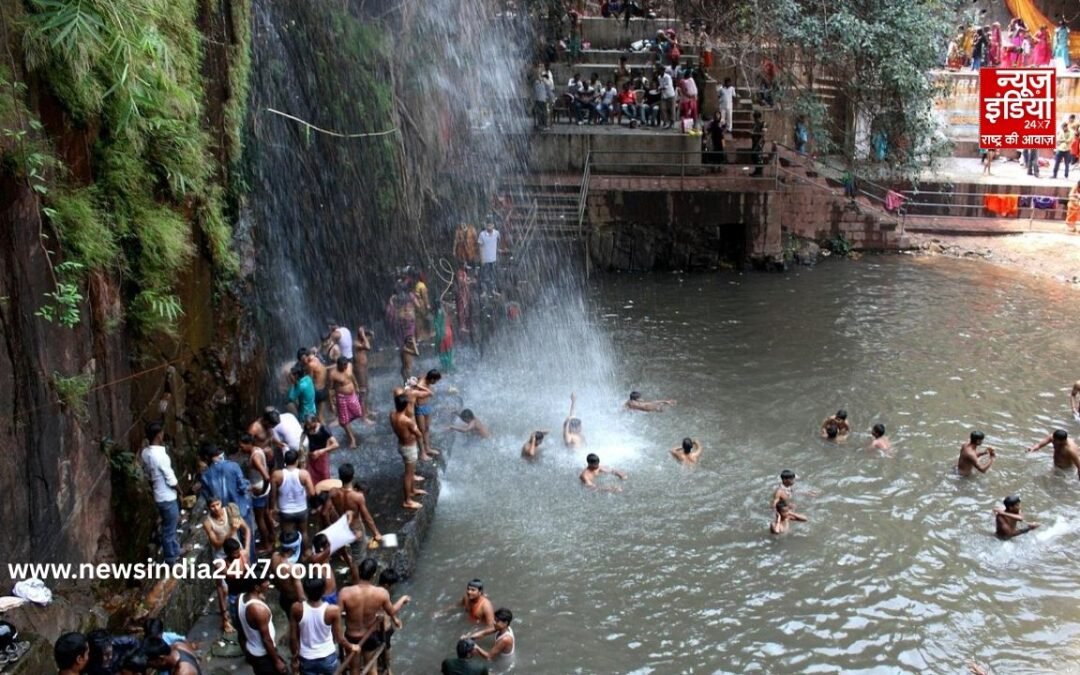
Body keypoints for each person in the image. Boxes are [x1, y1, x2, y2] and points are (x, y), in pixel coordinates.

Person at [339, 558, 409, 674]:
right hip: (369, 635)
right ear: (374, 574)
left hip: (351, 636)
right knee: (371, 668)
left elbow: (337, 617)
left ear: (359, 571)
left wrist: (340, 638)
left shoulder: (345, 592)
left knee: (354, 669)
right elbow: (391, 611)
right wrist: (401, 604)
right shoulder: (381, 593)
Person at [289, 577, 356, 675]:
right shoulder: (332, 610)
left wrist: (294, 657)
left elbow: (293, 637)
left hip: (307, 658)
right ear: (324, 591)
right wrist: (351, 647)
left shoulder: (296, 608)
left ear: (305, 591)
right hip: (327, 656)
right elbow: (339, 638)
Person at [203, 496, 250, 633]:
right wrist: (232, 531)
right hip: (221, 555)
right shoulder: (208, 522)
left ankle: (247, 602)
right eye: (212, 506)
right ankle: (225, 620)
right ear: (209, 508)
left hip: (236, 550)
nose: (216, 508)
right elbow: (216, 543)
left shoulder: (230, 512)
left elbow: (246, 529)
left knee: (245, 575)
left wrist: (246, 548)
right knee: (222, 588)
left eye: (217, 504)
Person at [141, 421, 181, 564]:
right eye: (162, 433)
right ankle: (171, 558)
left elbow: (147, 472)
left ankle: (176, 550)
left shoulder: (145, 453)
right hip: (168, 496)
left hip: (158, 495)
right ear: (159, 435)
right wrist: (180, 491)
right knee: (169, 529)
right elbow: (170, 478)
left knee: (169, 525)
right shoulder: (161, 457)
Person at [199, 443, 253, 548]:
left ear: (205, 457)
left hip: (223, 514)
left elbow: (208, 498)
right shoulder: (233, 466)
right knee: (247, 536)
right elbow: (242, 487)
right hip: (240, 508)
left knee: (232, 543)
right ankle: (250, 560)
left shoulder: (205, 476)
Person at [331, 463, 382, 565]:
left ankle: (344, 556)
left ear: (340, 476)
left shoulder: (333, 491)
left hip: (342, 525)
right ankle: (356, 578)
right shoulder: (357, 497)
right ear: (353, 477)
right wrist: (376, 533)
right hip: (355, 527)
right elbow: (367, 517)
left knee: (347, 547)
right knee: (358, 559)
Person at [239, 571, 288, 674]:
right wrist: (277, 661)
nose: (268, 584)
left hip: (253, 650)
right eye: (265, 582)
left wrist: (245, 648)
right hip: (263, 655)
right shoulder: (258, 610)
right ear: (256, 587)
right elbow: (266, 639)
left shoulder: (241, 598)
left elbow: (240, 628)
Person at [271, 449, 316, 548]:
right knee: (304, 532)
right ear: (297, 461)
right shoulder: (304, 474)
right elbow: (312, 493)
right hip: (301, 509)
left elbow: (273, 495)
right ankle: (306, 552)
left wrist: (273, 508)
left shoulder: (277, 475)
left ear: (284, 461)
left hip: (285, 511)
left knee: (288, 534)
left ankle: (290, 555)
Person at [390, 393, 425, 510]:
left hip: (401, 444)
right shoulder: (407, 420)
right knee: (409, 474)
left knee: (411, 472)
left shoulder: (392, 415)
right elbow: (419, 434)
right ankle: (407, 501)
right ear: (406, 406)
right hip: (409, 448)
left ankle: (413, 490)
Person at [241, 433, 274, 553]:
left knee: (260, 519)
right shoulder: (258, 449)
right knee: (266, 514)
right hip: (263, 487)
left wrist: (262, 490)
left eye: (242, 446)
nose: (241, 449)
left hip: (259, 488)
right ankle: (272, 536)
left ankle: (266, 544)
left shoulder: (254, 457)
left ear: (249, 444)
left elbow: (266, 476)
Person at [329, 356, 362, 448]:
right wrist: (332, 403)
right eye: (343, 366)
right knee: (344, 420)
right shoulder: (333, 374)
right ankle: (352, 439)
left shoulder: (350, 366)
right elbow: (330, 389)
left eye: (345, 365)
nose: (345, 368)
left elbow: (352, 376)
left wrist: (357, 386)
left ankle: (344, 421)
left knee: (358, 412)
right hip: (341, 397)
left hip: (352, 394)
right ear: (338, 365)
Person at [414, 369, 443, 461]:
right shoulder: (421, 384)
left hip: (427, 406)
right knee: (421, 431)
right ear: (432, 379)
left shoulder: (424, 380)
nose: (436, 382)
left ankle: (428, 448)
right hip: (420, 408)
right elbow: (430, 393)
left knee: (427, 429)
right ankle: (422, 452)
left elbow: (419, 377)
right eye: (436, 380)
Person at [302, 415, 338, 485]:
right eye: (307, 425)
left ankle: (326, 491)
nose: (308, 427)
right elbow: (303, 436)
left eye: (310, 425)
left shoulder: (323, 429)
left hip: (322, 455)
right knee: (313, 474)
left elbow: (336, 444)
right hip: (311, 455)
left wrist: (321, 451)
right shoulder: (307, 427)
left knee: (324, 474)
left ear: (315, 422)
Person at [478, 220, 500, 293]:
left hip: (493, 259)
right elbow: (480, 247)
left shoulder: (496, 233)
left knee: (493, 276)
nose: (489, 227)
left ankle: (493, 290)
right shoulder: (482, 234)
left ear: (493, 225)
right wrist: (482, 259)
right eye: (488, 225)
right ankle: (484, 291)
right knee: (484, 276)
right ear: (486, 226)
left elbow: (498, 241)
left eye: (491, 225)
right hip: (485, 259)